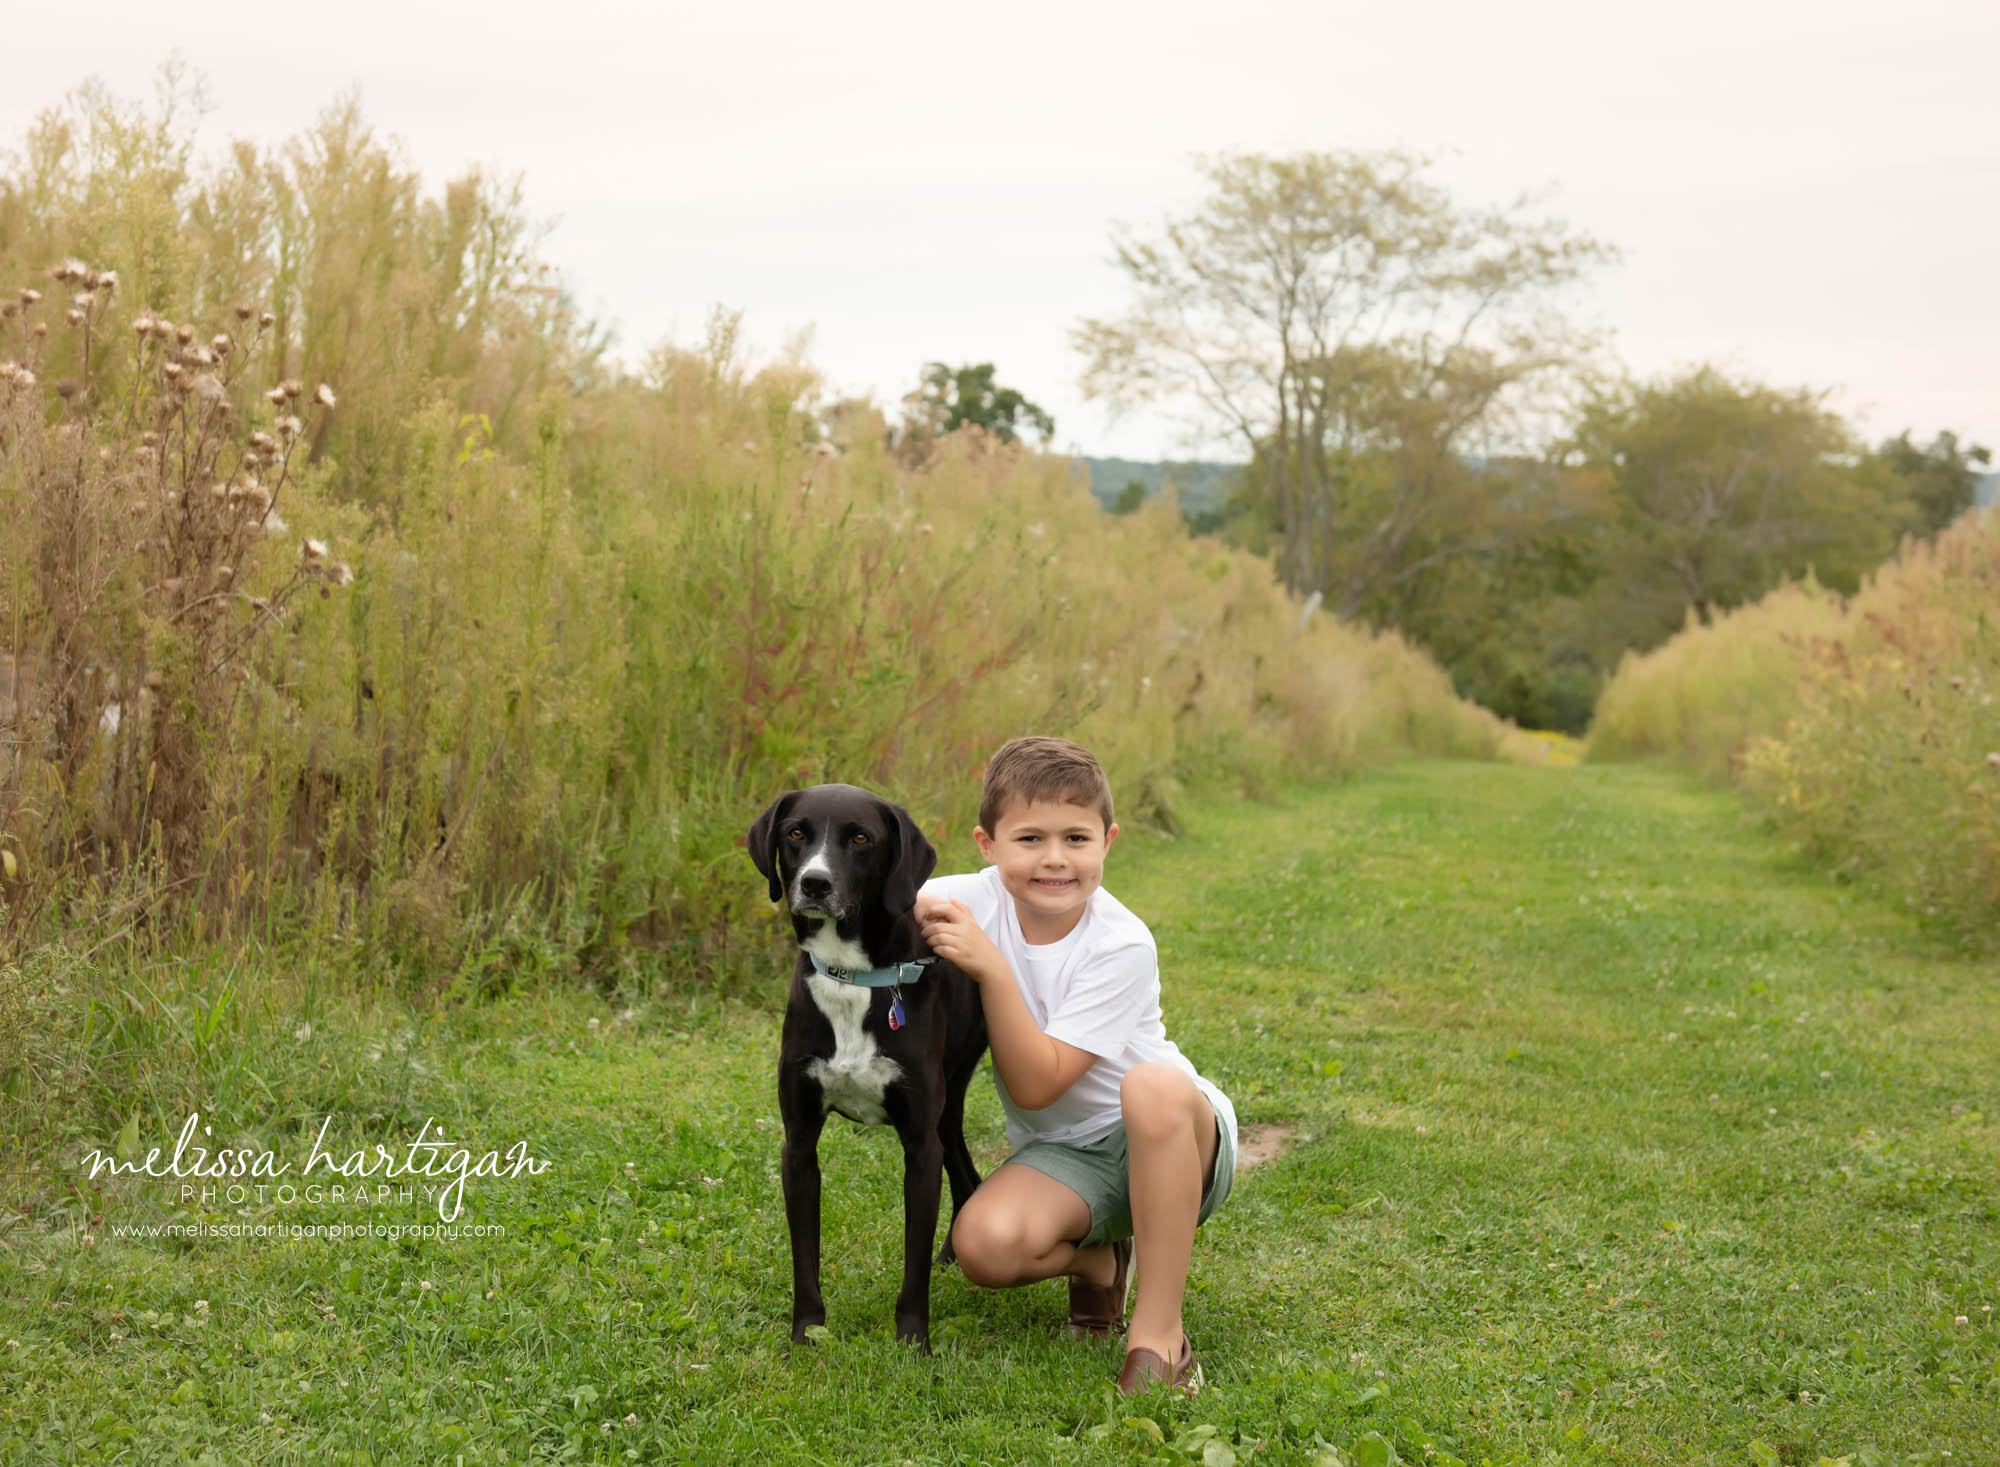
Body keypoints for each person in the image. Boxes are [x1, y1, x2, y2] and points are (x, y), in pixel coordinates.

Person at [914, 735, 1237, 1395]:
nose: (1054, 859)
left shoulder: (1119, 942)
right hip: (1066, 1156)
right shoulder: (975, 898)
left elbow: (1036, 1085)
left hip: (1173, 1136)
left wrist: (991, 969)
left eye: (1076, 838)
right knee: (981, 1246)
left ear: (1108, 841)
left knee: (1149, 1087)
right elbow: (888, 901)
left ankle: (1159, 1336)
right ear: (987, 844)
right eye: (1029, 838)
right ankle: (1098, 1258)